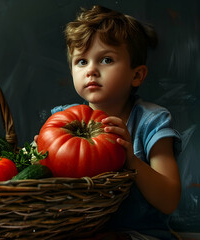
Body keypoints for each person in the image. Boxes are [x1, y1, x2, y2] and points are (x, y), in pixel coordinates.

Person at [39, 5, 182, 240]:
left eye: (106, 59)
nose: (91, 70)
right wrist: (43, 157)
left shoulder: (151, 122)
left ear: (137, 75)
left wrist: (132, 160)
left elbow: (169, 200)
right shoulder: (61, 120)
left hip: (140, 234)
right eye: (81, 61)